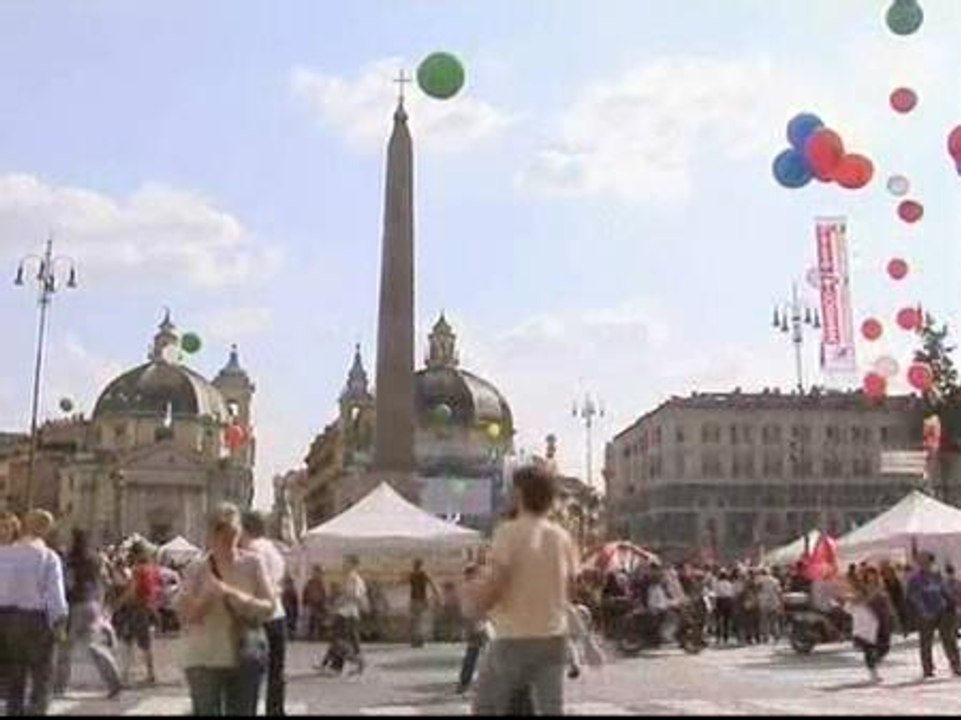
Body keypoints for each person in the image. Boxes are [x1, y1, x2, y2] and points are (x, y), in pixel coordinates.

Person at [470, 464, 578, 716]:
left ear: (519, 494)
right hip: (553, 638)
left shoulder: (509, 533)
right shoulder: (561, 536)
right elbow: (569, 588)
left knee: (486, 707)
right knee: (550, 710)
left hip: (513, 638)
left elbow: (497, 583)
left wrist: (476, 605)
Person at [175, 503, 275, 716]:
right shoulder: (196, 569)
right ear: (211, 533)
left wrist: (234, 594)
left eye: (232, 531)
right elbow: (186, 617)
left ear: (239, 531)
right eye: (221, 531)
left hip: (245, 654)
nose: (227, 538)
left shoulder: (253, 564)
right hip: (204, 657)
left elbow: (269, 607)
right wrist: (206, 598)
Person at [0, 509, 69, 716]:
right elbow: (54, 595)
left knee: (15, 676)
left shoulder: (4, 553)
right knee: (42, 676)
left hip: (6, 619)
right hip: (36, 620)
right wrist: (60, 622)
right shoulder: (48, 557)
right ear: (46, 530)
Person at [53, 529, 122, 699]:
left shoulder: (69, 560)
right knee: (94, 645)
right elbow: (104, 581)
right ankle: (114, 680)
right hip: (91, 603)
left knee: (65, 648)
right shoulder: (95, 559)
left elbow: (67, 583)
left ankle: (59, 687)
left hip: (74, 604)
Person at [240, 511, 288, 717]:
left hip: (256, 617)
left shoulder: (249, 550)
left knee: (249, 671)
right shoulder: (275, 551)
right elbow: (279, 582)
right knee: (276, 670)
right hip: (277, 615)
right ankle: (275, 711)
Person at [906, 552, 960, 679]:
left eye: (927, 561)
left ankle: (956, 665)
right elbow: (914, 597)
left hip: (942, 610)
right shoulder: (915, 579)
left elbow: (944, 590)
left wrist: (953, 602)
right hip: (925, 614)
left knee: (949, 639)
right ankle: (928, 668)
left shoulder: (937, 576)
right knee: (926, 642)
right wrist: (923, 611)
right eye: (922, 561)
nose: (925, 564)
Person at [116, 541, 160, 685]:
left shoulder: (137, 570)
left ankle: (128, 674)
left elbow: (132, 591)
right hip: (147, 606)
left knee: (132, 640)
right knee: (142, 641)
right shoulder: (151, 568)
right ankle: (146, 673)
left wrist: (119, 603)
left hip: (137, 608)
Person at [848, 567, 893, 683]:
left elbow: (887, 603)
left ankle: (873, 663)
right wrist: (866, 598)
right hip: (870, 622)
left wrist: (892, 615)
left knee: (885, 646)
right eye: (869, 575)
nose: (871, 577)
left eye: (873, 574)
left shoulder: (881, 587)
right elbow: (857, 600)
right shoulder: (863, 589)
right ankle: (873, 672)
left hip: (883, 619)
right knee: (870, 648)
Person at [456, 563, 489, 694]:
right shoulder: (476, 586)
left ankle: (464, 682)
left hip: (469, 621)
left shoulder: (463, 587)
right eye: (478, 572)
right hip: (478, 622)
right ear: (473, 573)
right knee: (486, 652)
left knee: (473, 652)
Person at [334, 555, 368, 675]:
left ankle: (359, 663)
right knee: (341, 640)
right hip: (344, 612)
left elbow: (356, 595)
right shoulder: (349, 578)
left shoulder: (354, 579)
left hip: (349, 614)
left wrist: (342, 600)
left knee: (347, 641)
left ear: (353, 564)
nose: (344, 564)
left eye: (346, 562)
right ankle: (337, 665)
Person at [408, 558, 439, 648]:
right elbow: (432, 584)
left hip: (414, 600)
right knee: (420, 621)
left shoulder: (412, 575)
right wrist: (435, 594)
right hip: (422, 600)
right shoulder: (424, 574)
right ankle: (419, 640)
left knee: (415, 621)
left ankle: (415, 640)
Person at [302, 566, 327, 642]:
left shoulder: (321, 583)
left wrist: (324, 603)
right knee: (312, 620)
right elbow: (305, 592)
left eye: (319, 573)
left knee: (319, 620)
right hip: (312, 604)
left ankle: (319, 635)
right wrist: (305, 603)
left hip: (319, 605)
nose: (317, 574)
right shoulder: (310, 582)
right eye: (315, 572)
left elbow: (324, 594)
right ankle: (311, 635)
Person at [281, 575, 300, 639]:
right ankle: (290, 635)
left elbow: (295, 602)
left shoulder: (292, 591)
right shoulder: (287, 591)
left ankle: (291, 635)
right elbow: (283, 600)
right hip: (287, 608)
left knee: (291, 622)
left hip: (291, 608)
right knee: (289, 622)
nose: (288, 585)